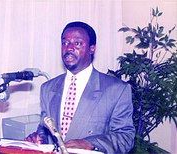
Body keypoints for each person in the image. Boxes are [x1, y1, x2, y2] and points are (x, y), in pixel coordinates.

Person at [25, 21, 135, 153]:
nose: (69, 48)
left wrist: (90, 143)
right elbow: (45, 129)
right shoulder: (48, 88)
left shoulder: (117, 90)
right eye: (65, 43)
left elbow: (125, 138)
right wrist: (38, 139)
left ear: (92, 48)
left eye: (77, 43)